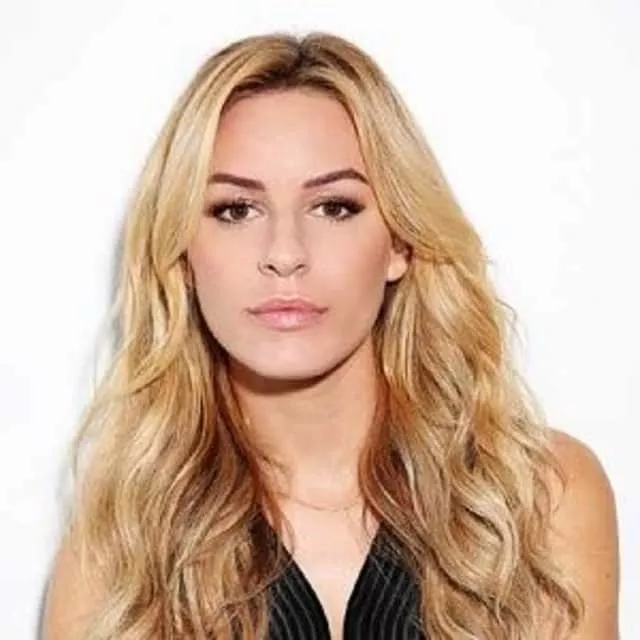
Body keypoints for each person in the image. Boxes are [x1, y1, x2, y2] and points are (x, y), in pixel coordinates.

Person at [43, 31, 619, 639]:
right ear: (183, 253)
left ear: (400, 242)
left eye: (334, 207)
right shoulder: (120, 552)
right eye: (235, 210)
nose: (284, 253)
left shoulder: (538, 501)